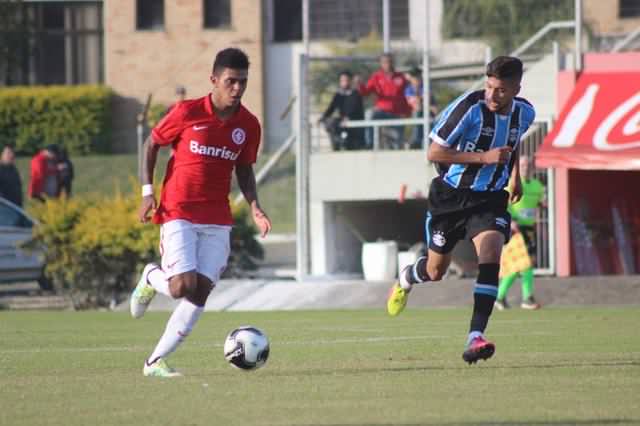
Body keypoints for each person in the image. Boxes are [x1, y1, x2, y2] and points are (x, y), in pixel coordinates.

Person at [130, 48, 272, 378]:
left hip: (217, 217)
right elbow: (152, 144)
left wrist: (255, 207)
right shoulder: (187, 111)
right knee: (181, 286)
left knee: (201, 291)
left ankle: (155, 363)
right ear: (214, 80)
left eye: (243, 82)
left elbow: (245, 169)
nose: (237, 88)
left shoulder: (249, 125)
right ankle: (152, 276)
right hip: (178, 210)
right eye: (231, 81)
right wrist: (148, 193)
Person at [386, 56, 535, 365]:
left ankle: (475, 336)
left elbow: (513, 140)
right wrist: (484, 158)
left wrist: (514, 175)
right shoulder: (469, 108)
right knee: (435, 272)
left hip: (490, 197)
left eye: (501, 90)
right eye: (489, 87)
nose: (493, 95)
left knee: (492, 252)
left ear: (516, 89)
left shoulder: (526, 112)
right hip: (450, 198)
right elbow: (434, 152)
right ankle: (406, 278)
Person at [495, 154, 545, 310]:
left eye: (528, 165)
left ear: (533, 167)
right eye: (522, 165)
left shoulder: (538, 186)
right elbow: (504, 204)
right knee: (523, 263)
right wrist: (512, 221)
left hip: (529, 229)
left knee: (523, 264)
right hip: (515, 229)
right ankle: (526, 298)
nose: (525, 168)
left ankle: (500, 297)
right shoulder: (511, 183)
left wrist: (542, 209)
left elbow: (538, 205)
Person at [356, 53, 411, 149]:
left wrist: (407, 112)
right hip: (381, 111)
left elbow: (407, 96)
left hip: (397, 113)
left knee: (397, 143)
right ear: (381, 64)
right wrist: (360, 85)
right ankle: (369, 143)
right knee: (369, 114)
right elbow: (365, 92)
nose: (387, 64)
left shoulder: (401, 77)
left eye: (389, 62)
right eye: (384, 62)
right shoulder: (376, 77)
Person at [318, 70, 365, 150]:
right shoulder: (339, 94)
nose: (344, 82)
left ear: (350, 81)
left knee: (343, 128)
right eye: (342, 80)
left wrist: (348, 117)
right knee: (331, 122)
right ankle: (337, 143)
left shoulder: (355, 94)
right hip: (342, 121)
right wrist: (323, 117)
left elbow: (354, 109)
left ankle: (344, 141)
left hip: (354, 121)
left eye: (346, 80)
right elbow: (331, 108)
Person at [404, 67, 438, 150]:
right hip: (415, 115)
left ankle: (428, 141)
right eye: (414, 77)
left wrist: (422, 102)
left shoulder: (426, 87)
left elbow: (429, 102)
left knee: (429, 116)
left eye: (418, 76)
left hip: (429, 115)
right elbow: (416, 105)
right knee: (417, 112)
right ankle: (417, 140)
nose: (416, 79)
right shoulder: (408, 89)